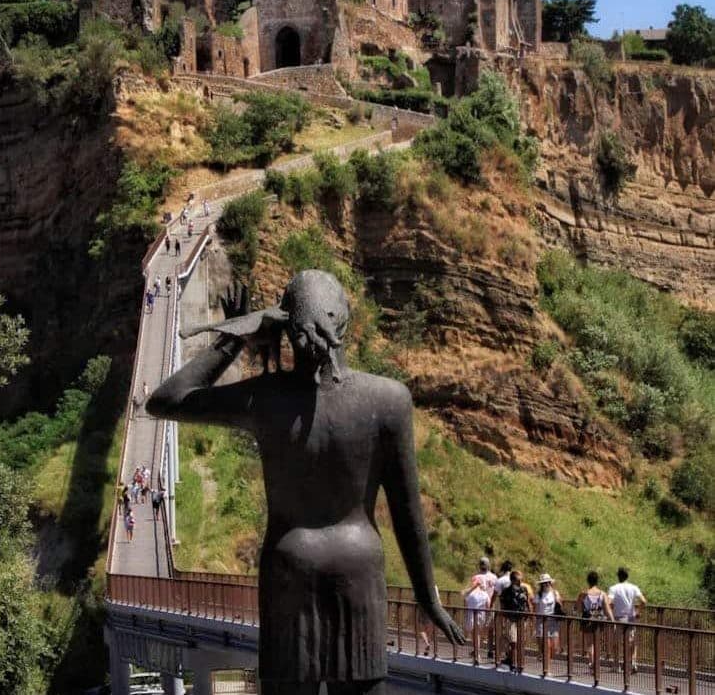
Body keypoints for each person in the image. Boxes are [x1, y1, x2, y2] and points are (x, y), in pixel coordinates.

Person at [146, 272, 465, 693]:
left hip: (288, 573)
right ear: (345, 323)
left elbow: (166, 399)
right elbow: (409, 514)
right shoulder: (388, 399)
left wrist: (235, 337)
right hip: (359, 572)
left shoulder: (265, 398)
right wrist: (428, 597)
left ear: (281, 325)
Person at [609, 567, 646, 673]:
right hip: (631, 618)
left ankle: (616, 665)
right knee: (631, 642)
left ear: (618, 576)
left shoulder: (614, 588)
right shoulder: (634, 587)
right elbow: (643, 601)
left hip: (619, 618)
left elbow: (609, 602)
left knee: (616, 643)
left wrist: (610, 611)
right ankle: (632, 663)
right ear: (627, 576)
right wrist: (638, 612)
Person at [576, 570, 614, 667]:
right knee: (597, 642)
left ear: (588, 581)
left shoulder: (583, 594)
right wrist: (613, 621)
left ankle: (592, 661)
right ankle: (596, 661)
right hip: (599, 619)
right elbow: (607, 609)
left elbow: (579, 609)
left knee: (589, 643)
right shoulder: (602, 594)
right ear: (597, 581)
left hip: (587, 619)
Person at [499, 570, 532, 673]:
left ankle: (520, 664)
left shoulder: (524, 589)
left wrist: (531, 616)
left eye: (521, 580)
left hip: (522, 619)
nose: (520, 582)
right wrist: (504, 619)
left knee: (521, 642)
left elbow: (527, 603)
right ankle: (513, 663)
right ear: (512, 580)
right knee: (513, 642)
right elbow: (502, 606)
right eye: (518, 580)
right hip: (511, 619)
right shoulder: (506, 591)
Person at [534, 574, 562, 666]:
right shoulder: (538, 595)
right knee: (547, 645)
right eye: (544, 583)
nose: (546, 584)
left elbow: (560, 606)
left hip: (553, 621)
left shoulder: (555, 593)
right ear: (541, 585)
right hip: (542, 621)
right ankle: (547, 667)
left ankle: (543, 656)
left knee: (554, 648)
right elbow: (536, 609)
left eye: (548, 582)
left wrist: (558, 601)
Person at [462, 576, 491, 657]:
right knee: (477, 634)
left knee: (474, 634)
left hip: (471, 615)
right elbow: (488, 606)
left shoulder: (470, 594)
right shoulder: (485, 594)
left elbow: (465, 603)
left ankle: (477, 652)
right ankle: (476, 651)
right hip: (481, 615)